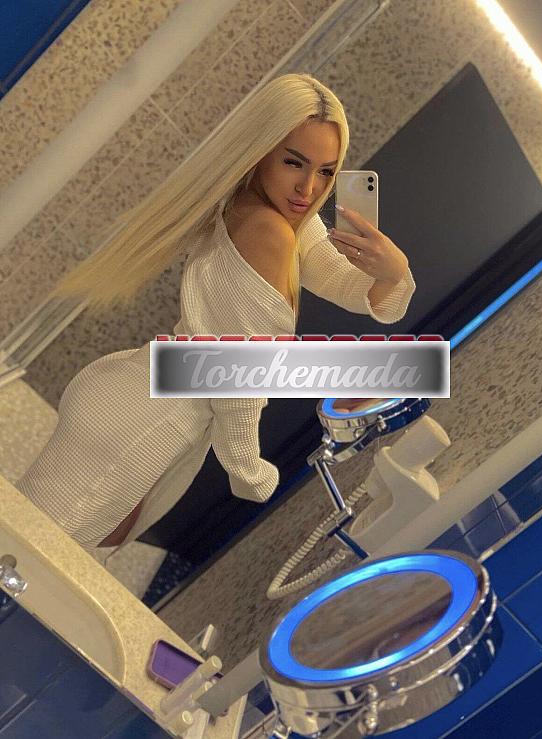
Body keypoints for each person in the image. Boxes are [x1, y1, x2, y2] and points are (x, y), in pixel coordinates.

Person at [15, 73, 416, 560]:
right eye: (294, 162)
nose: (309, 187)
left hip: (141, 398)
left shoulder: (266, 207)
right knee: (27, 564)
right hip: (148, 421)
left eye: (326, 172)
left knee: (36, 559)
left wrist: (393, 272)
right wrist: (250, 471)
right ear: (262, 149)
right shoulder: (270, 231)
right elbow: (237, 374)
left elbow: (340, 281)